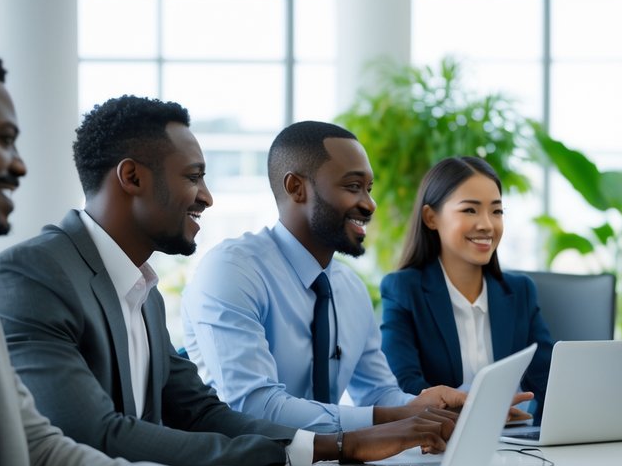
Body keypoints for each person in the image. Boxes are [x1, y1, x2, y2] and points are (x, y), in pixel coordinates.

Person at [0, 39, 298, 466]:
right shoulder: (20, 276)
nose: (20, 165)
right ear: (131, 177)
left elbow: (40, 450)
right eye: (3, 140)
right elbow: (92, 436)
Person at [0, 99, 455, 466]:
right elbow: (97, 437)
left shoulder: (142, 291)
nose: (207, 196)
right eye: (194, 177)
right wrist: (342, 444)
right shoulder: (34, 276)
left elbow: (204, 414)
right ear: (131, 177)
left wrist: (340, 445)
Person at [182, 122, 524, 434]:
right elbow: (252, 407)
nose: (370, 204)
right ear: (296, 188)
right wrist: (394, 418)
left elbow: (377, 391)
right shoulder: (232, 271)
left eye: (369, 189)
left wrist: (438, 406)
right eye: (353, 187)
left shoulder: (349, 288)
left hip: (327, 464)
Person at [380, 156, 553, 416]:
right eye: (470, 210)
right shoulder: (404, 290)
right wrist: (482, 414)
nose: (486, 224)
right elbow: (406, 389)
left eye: (496, 211)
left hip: (518, 444)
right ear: (431, 218)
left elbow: (549, 384)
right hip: (438, 444)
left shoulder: (520, 292)